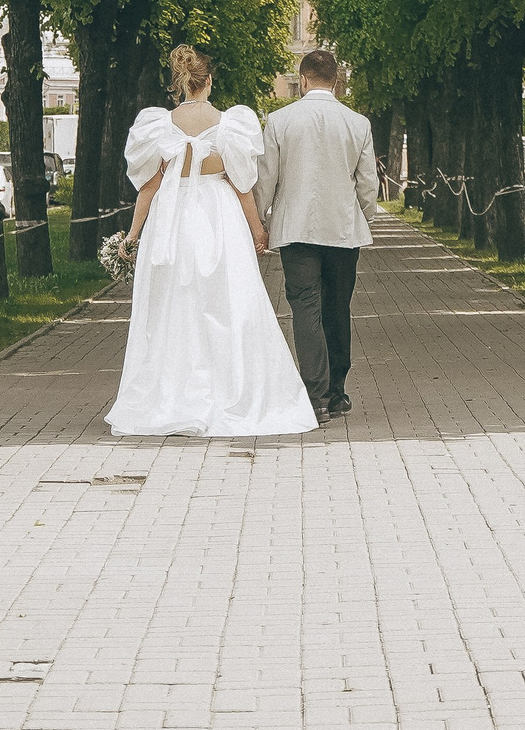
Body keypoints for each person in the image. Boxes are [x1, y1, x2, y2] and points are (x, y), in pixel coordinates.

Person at [105, 44, 316, 438]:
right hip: (219, 220)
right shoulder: (232, 125)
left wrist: (132, 235)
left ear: (179, 84)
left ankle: (171, 396)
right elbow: (242, 187)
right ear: (209, 81)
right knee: (228, 303)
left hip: (172, 221)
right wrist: (257, 230)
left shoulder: (158, 125)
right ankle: (231, 391)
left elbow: (149, 188)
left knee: (172, 308)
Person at [257, 48, 380, 420]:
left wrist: (260, 222)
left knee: (305, 307)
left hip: (296, 229)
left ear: (303, 80)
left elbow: (266, 177)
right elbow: (368, 185)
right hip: (343, 230)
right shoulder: (357, 123)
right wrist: (364, 217)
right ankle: (338, 392)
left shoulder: (279, 121)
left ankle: (315, 395)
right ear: (338, 81)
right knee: (337, 307)